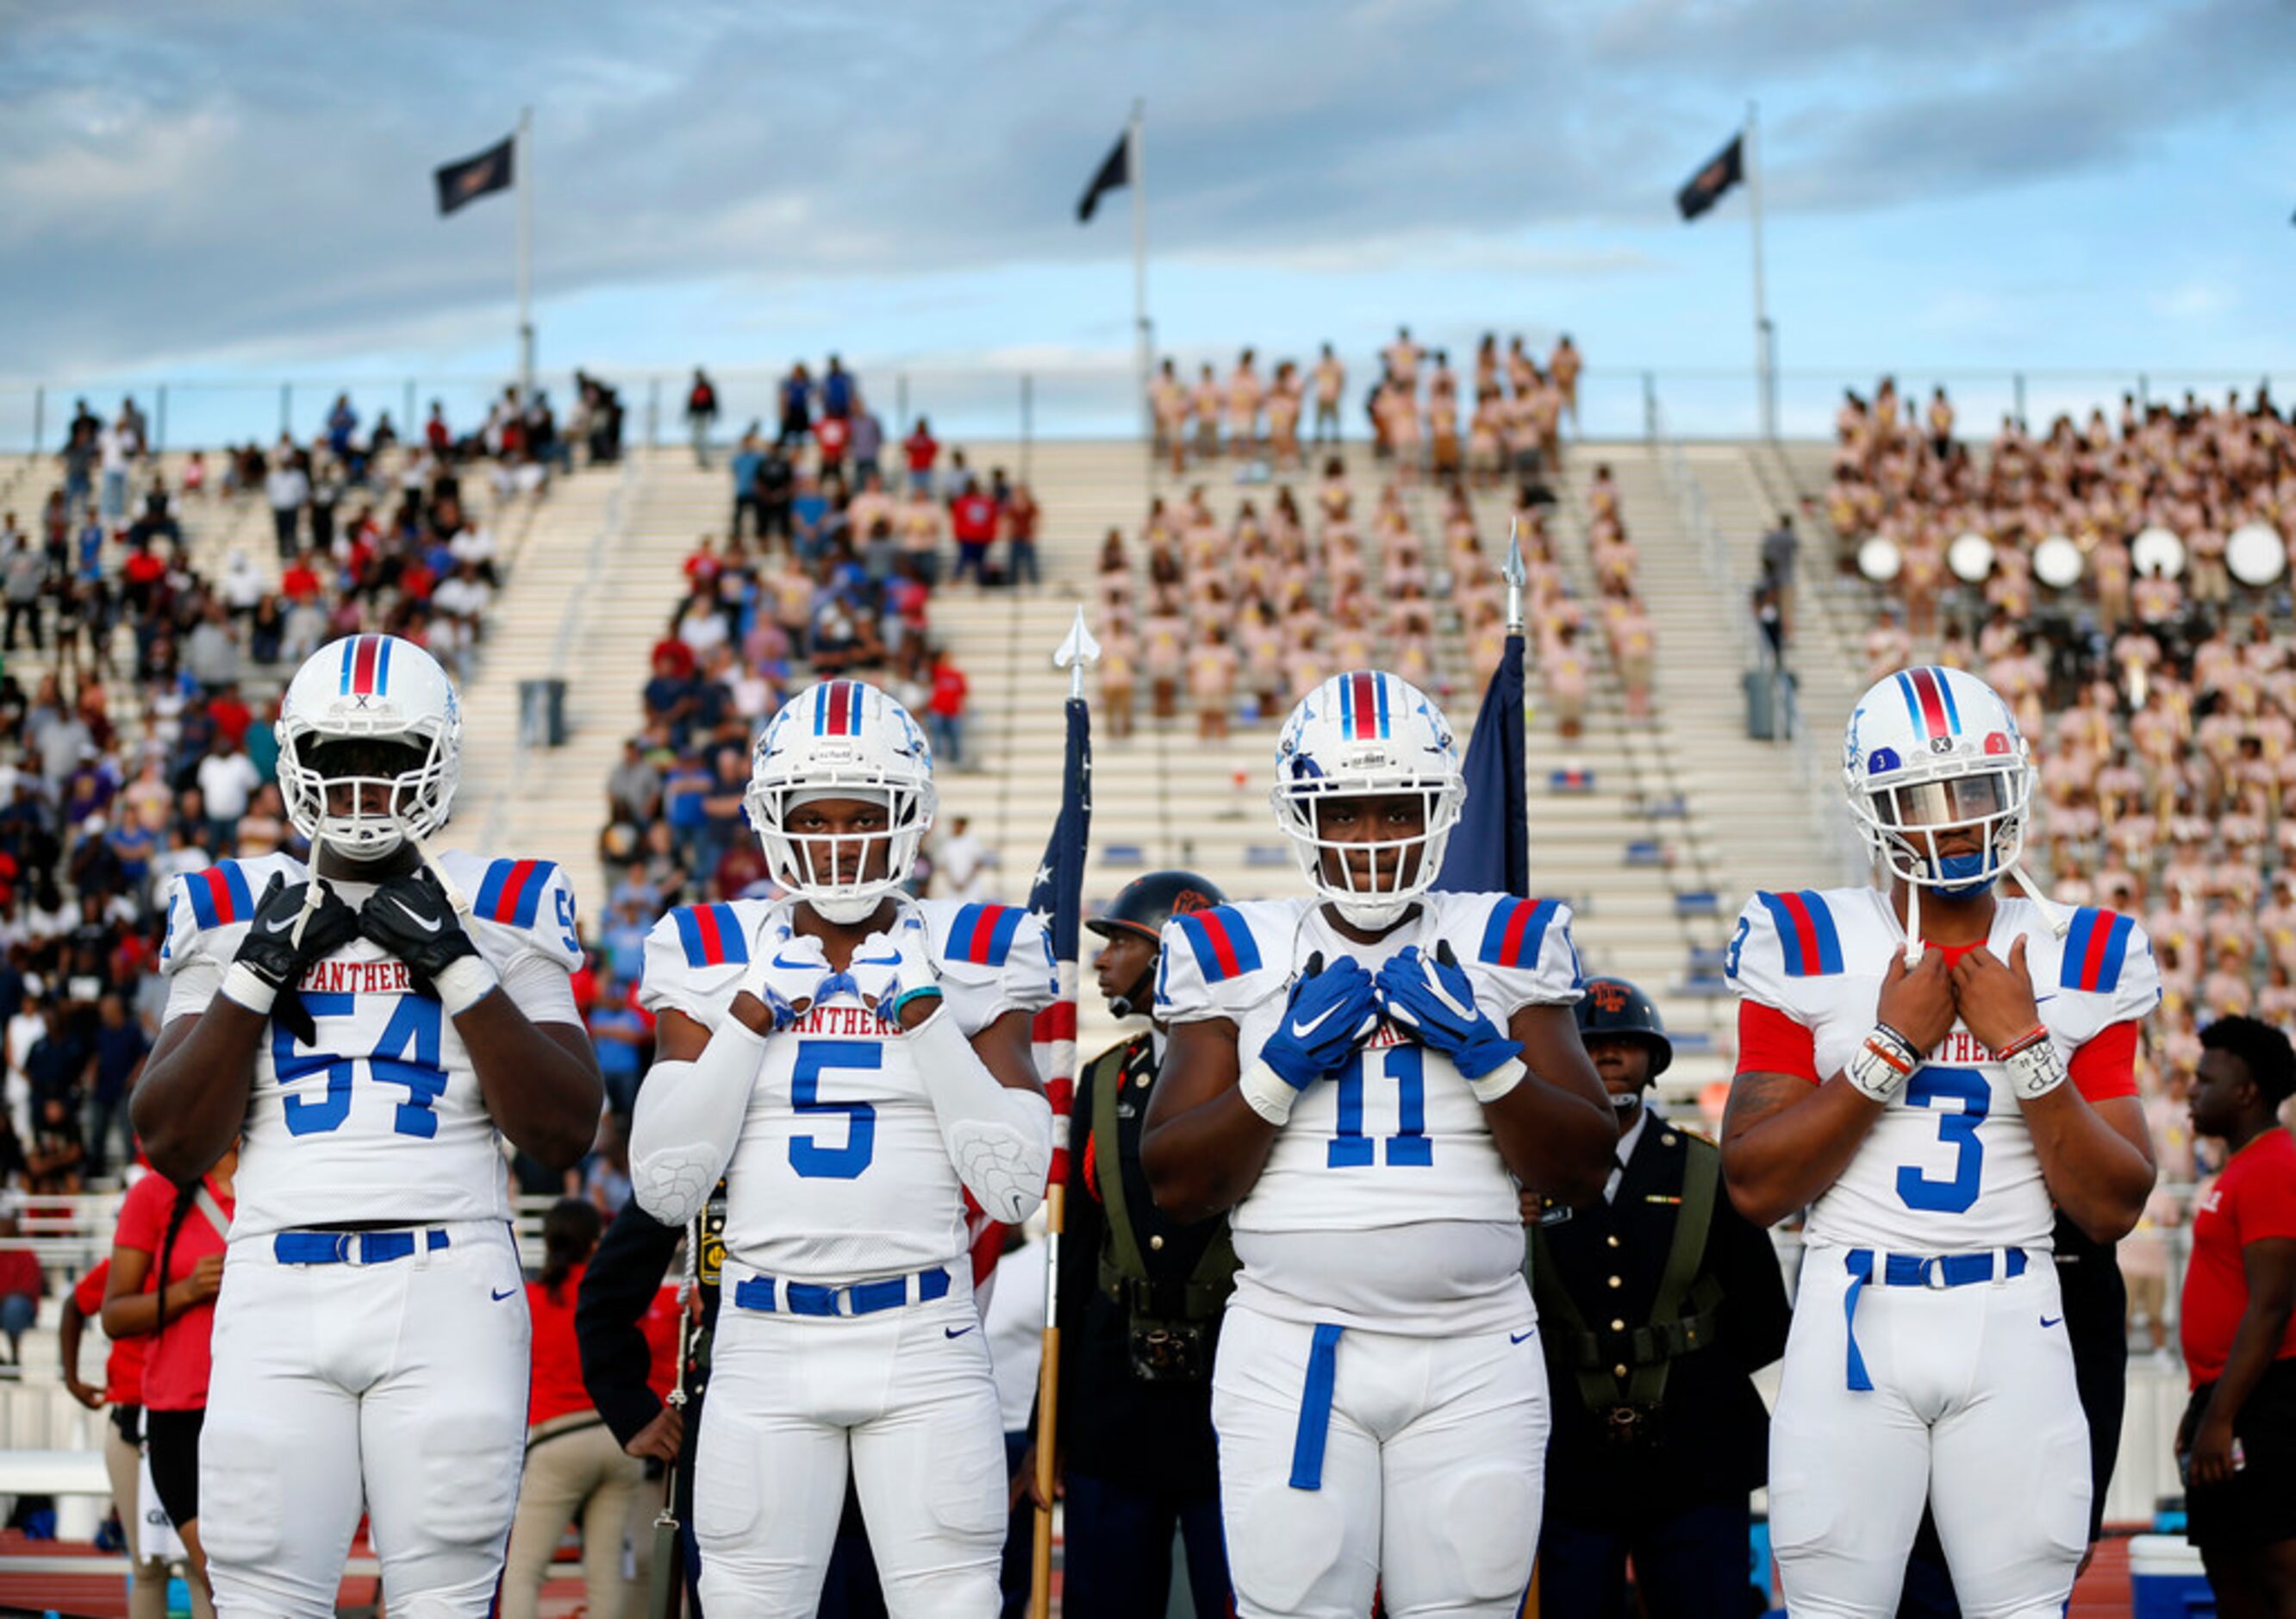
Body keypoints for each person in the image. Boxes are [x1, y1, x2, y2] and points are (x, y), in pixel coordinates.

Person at [131, 633, 606, 1616]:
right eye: (336, 759)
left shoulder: (504, 902)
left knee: (445, 1592)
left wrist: (459, 966)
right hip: (274, 1275)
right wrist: (255, 974)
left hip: (448, 1282)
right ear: (292, 760)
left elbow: (564, 1131)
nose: (359, 784)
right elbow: (170, 1140)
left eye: (387, 757)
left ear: (435, 757)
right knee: (259, 1588)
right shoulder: (228, 903)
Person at [1142, 669, 1615, 1619]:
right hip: (1293, 1345)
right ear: (1302, 817)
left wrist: (1489, 1058)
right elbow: (1178, 1183)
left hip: (1477, 1342)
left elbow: (1582, 1165)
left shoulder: (1508, 939)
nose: (1369, 841)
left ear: (1438, 811)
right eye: (1344, 813)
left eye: (1395, 811)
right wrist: (1276, 1070)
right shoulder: (1232, 950)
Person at [1721, 664, 2160, 1617]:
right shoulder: (1805, 935)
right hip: (1853, 1313)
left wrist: (2027, 1046)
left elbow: (2111, 1205)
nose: (1956, 818)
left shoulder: (2083, 948)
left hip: (2015, 1312)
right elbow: (1755, 1185)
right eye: (1924, 795)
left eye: (1975, 788)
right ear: (1875, 807)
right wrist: (1887, 1051)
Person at [628, 678, 1055, 1616]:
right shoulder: (711, 947)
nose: (836, 841)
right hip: (762, 1334)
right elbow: (666, 1184)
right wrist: (748, 1017)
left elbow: (1018, 1187)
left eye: (861, 816)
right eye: (810, 817)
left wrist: (926, 1017)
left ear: (909, 818)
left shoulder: (978, 944)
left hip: (924, 1333)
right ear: (771, 822)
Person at [1530, 977, 1792, 1617]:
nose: (1610, 1056)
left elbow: (1762, 1321)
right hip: (1567, 1459)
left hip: (1695, 1459)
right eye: (1590, 1043)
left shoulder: (1706, 1170)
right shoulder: (1522, 1177)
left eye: (1625, 1043)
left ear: (1654, 1060)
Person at [1026, 872, 1237, 1619]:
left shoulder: (1262, 1076)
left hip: (1234, 1396)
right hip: (1115, 1397)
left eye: (1122, 941)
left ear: (1175, 954)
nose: (1103, 960)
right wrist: (1051, 1419)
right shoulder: (1105, 1078)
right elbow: (1077, 1259)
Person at [2176, 1015, 2296, 1615]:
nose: (2192, 1091)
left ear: (2246, 1092)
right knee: (2232, 1572)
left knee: (2275, 1573)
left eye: (2206, 1080)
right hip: (2227, 1396)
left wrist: (2219, 1418)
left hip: (2265, 1399)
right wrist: (2202, 1410)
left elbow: (2272, 1303)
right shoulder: (2244, 1166)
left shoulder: (2274, 1164)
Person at [103, 1147, 236, 1618]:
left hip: (265, 1411)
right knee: (209, 1576)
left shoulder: (282, 1180)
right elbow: (112, 1314)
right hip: (178, 1414)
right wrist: (186, 1292)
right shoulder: (155, 1194)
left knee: (248, 1581)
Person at [503, 1198, 646, 1619]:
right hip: (619, 1439)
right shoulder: (612, 1297)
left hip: (558, 1440)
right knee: (606, 1574)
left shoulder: (530, 1300)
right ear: (595, 1241)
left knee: (524, 1572)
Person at [62, 1253, 172, 1619]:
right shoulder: (127, 1266)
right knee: (146, 1566)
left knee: (199, 1564)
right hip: (131, 1420)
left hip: (189, 1417)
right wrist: (72, 1379)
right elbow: (74, 1306)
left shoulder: (202, 1256)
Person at [685, 369, 720, 469]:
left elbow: (713, 402)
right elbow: (691, 403)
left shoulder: (707, 387)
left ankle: (704, 459)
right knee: (697, 436)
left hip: (704, 415)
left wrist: (714, 413)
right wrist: (688, 414)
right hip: (697, 415)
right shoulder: (695, 388)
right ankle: (700, 458)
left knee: (703, 437)